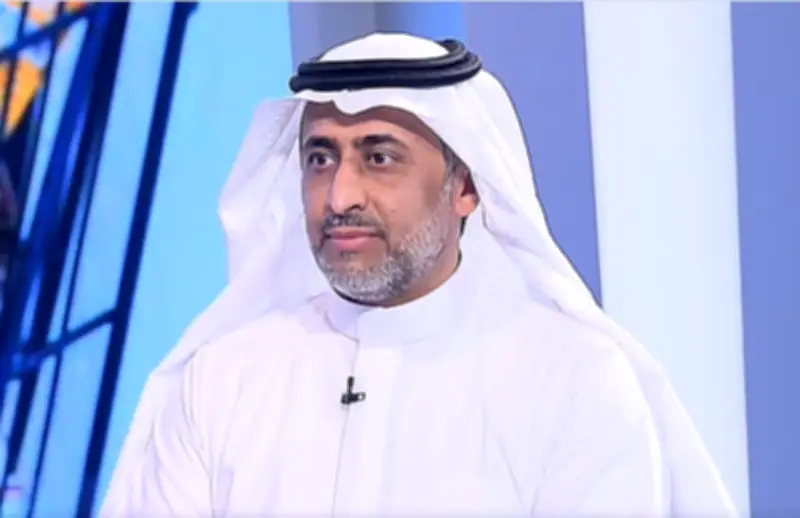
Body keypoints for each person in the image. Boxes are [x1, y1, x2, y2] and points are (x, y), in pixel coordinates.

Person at [100, 33, 736, 516]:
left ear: (465, 187)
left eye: (379, 158)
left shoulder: (571, 378)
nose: (340, 195)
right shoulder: (220, 381)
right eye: (320, 158)